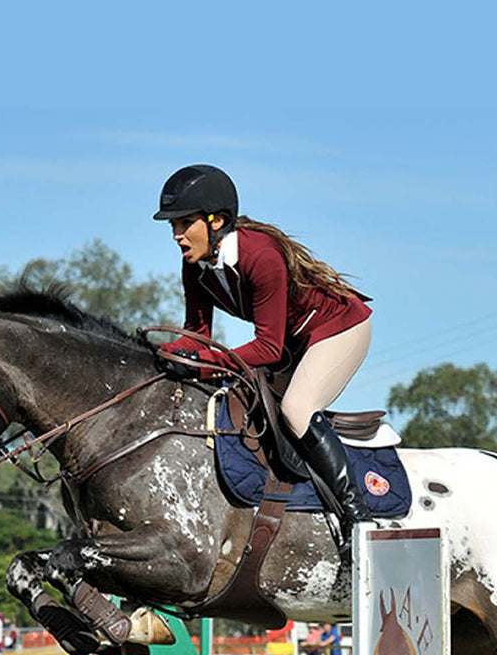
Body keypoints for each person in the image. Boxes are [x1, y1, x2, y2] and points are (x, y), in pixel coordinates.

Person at [152, 163, 372, 552]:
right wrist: (158, 355)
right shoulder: (196, 267)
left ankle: (358, 516)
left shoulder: (262, 257)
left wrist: (203, 364)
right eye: (172, 226)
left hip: (337, 330)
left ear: (215, 221)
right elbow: (196, 336)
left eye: (184, 224)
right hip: (293, 344)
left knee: (297, 409)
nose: (177, 236)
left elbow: (267, 349)